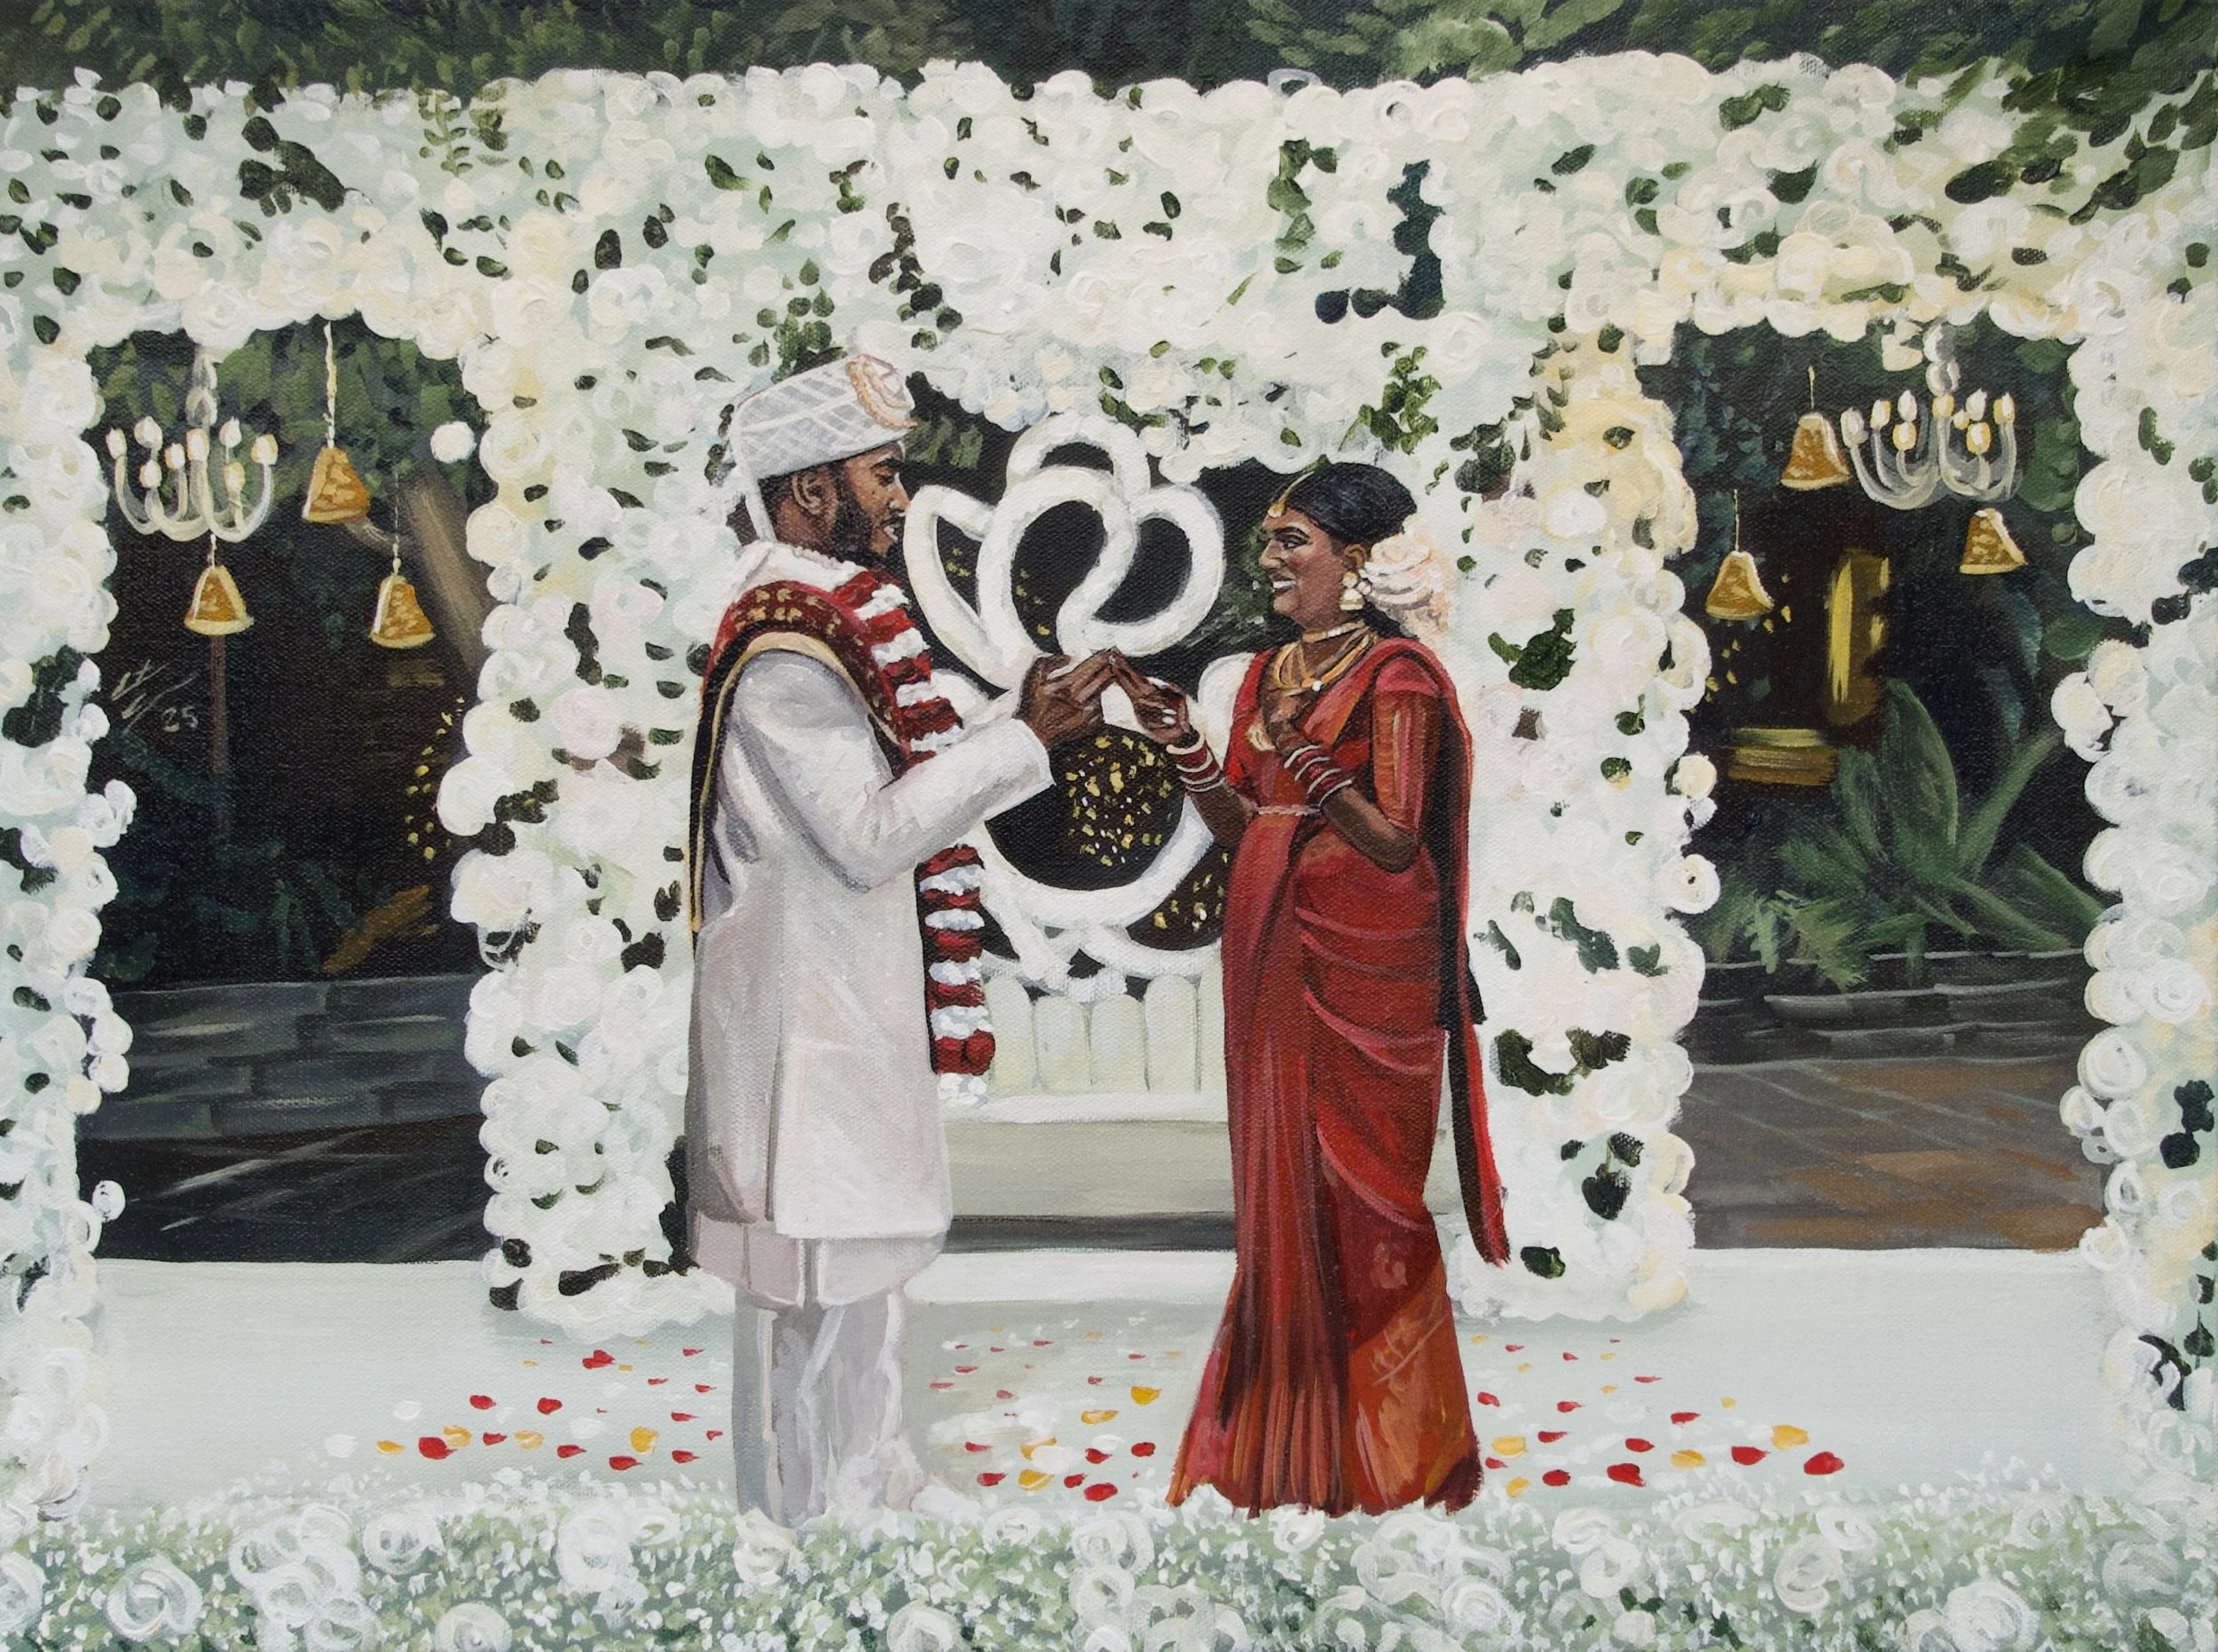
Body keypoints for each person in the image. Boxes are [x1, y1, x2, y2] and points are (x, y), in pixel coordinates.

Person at [685, 353, 1112, 1522]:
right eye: (882, 473)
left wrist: (1012, 728)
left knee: (861, 1279)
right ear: (811, 490)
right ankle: (822, 1515)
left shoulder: (821, 615)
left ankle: (869, 1479)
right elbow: (871, 834)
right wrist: (1025, 741)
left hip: (841, 1003)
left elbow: (895, 778)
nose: (900, 497)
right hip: (810, 1015)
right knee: (825, 1288)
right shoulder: (786, 641)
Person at [1115, 461, 1509, 1516]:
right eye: (1272, 541)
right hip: (1272, 947)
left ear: (1360, 559)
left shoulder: (1399, 678)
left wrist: (1301, 753)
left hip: (1365, 965)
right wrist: (1192, 752)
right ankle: (1279, 1456)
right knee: (1280, 1202)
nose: (1272, 559)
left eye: (1294, 540)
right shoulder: (1263, 673)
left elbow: (1391, 841)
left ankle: (1397, 1459)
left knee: (1368, 1205)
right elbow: (1249, 826)